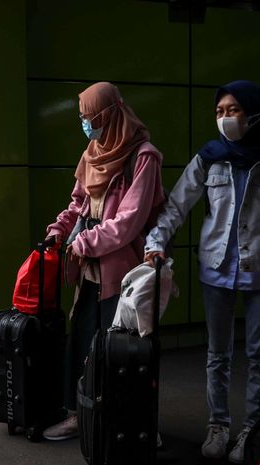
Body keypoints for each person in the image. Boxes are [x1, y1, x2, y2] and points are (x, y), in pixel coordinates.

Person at [144, 80, 260, 463]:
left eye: (233, 111)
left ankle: (252, 428)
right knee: (217, 353)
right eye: (219, 112)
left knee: (259, 353)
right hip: (215, 269)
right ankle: (218, 425)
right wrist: (155, 242)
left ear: (253, 113)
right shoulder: (210, 157)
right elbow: (177, 205)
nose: (225, 118)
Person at [41, 82, 165, 440]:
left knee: (117, 351)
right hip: (89, 268)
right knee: (82, 342)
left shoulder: (143, 156)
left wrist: (85, 242)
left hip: (120, 269)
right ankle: (82, 417)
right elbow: (78, 204)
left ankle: (122, 423)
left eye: (90, 117)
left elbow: (129, 221)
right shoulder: (93, 150)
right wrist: (59, 230)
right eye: (81, 118)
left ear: (110, 114)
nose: (86, 125)